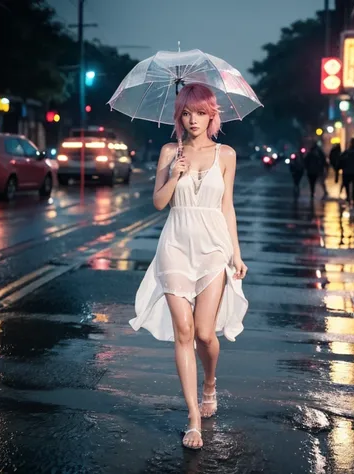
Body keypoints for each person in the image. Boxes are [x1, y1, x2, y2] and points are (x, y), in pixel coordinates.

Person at [129, 84, 248, 450]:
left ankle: (209, 381)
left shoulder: (226, 154)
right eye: (185, 113)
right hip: (176, 245)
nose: (192, 119)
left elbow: (226, 205)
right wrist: (175, 174)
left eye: (199, 112)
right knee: (183, 330)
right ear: (178, 117)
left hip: (214, 246)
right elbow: (158, 203)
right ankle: (193, 418)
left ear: (212, 115)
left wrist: (236, 253)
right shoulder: (169, 152)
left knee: (204, 333)